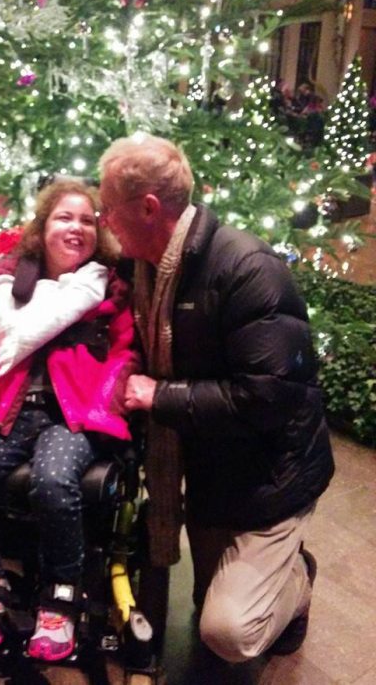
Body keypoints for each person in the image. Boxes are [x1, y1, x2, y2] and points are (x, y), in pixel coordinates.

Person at [98, 134, 334, 664]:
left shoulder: (247, 268)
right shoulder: (143, 267)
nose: (103, 220)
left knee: (228, 633)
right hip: (211, 469)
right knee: (208, 602)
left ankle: (298, 581)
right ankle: (255, 576)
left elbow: (267, 397)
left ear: (149, 208)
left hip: (270, 476)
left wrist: (160, 394)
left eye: (108, 208)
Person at [0, 177, 139, 660]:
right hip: (11, 410)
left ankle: (62, 595)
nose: (76, 228)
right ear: (43, 227)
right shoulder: (6, 282)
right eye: (65, 217)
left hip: (72, 415)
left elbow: (126, 356)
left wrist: (109, 400)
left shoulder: (108, 289)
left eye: (87, 219)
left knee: (53, 482)